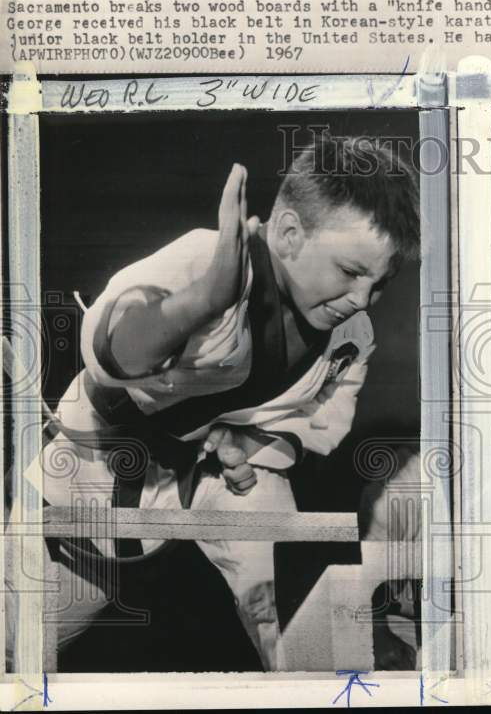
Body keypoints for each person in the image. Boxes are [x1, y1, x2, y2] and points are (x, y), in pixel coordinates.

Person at [22, 134, 419, 671]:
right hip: (101, 466)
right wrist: (204, 298)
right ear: (288, 233)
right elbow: (114, 349)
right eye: (350, 272)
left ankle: (324, 680)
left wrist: (246, 444)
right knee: (19, 640)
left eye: (380, 283)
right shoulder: (206, 259)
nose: (362, 298)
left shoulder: (352, 336)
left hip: (222, 475)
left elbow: (314, 423)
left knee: (301, 622)